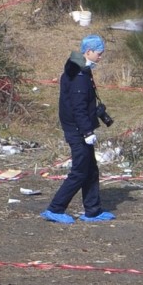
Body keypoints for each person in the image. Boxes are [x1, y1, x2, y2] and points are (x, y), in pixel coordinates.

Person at [41, 33, 115, 224]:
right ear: (88, 52)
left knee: (91, 169)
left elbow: (82, 103)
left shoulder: (82, 69)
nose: (101, 56)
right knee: (80, 171)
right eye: (99, 53)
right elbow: (78, 106)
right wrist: (87, 132)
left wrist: (96, 113)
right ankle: (55, 208)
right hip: (77, 130)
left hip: (79, 127)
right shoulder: (79, 75)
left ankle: (93, 210)